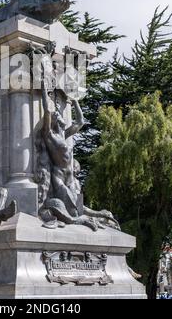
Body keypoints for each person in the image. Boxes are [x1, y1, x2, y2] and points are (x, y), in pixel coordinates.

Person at [39, 81, 119, 231]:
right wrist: (44, 89)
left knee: (77, 205)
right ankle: (79, 221)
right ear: (55, 121)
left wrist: (74, 99)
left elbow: (81, 121)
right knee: (72, 207)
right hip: (59, 176)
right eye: (57, 115)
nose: (58, 114)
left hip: (70, 177)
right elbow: (47, 111)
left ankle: (91, 218)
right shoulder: (49, 135)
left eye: (59, 114)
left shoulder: (65, 134)